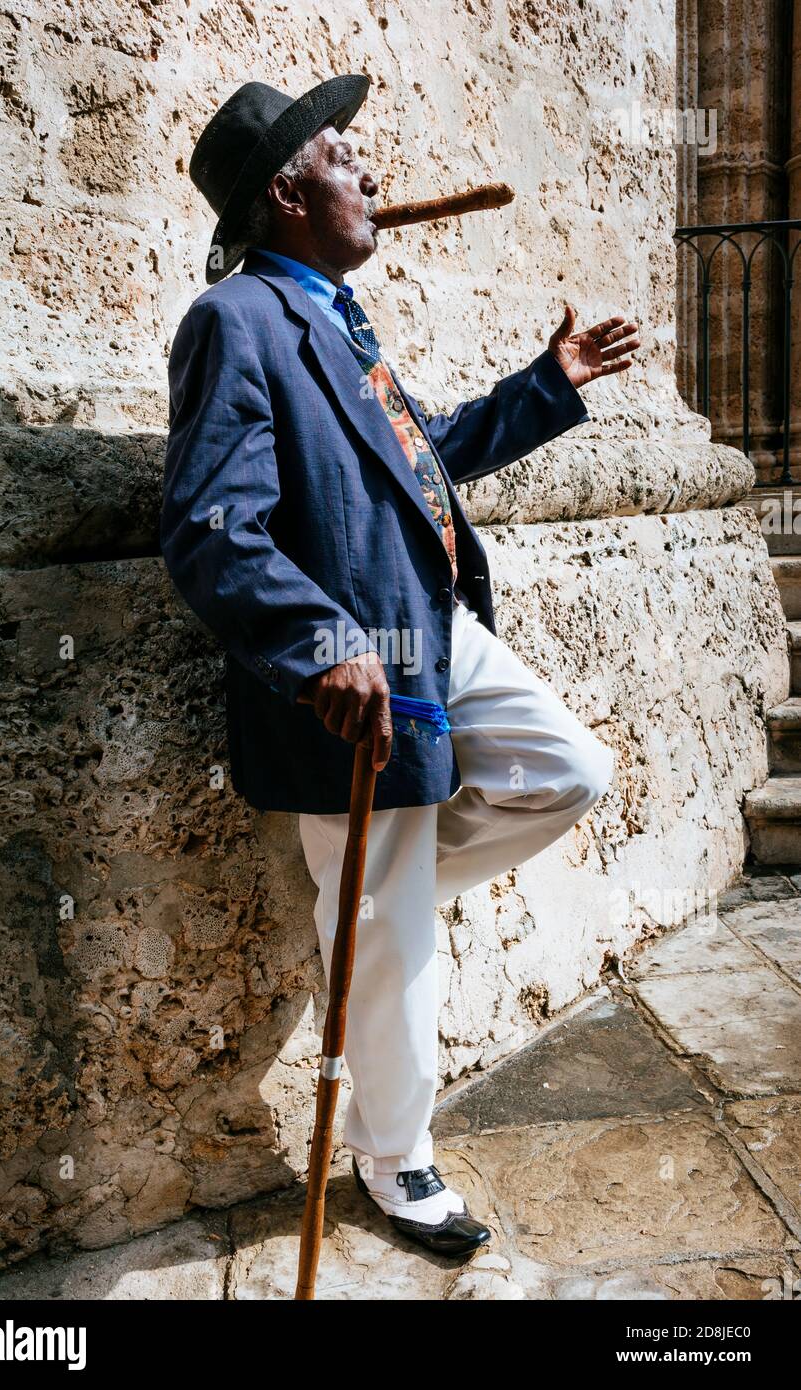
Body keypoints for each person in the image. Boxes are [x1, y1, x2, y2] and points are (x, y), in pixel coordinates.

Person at [160, 73, 641, 1257]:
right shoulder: (236, 322)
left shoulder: (335, 317)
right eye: (339, 156)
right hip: (354, 670)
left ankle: (376, 918)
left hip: (432, 634)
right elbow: (212, 522)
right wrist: (318, 641)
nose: (367, 173)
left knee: (566, 769)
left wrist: (548, 387)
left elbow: (422, 462)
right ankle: (396, 1156)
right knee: (391, 933)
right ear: (283, 193)